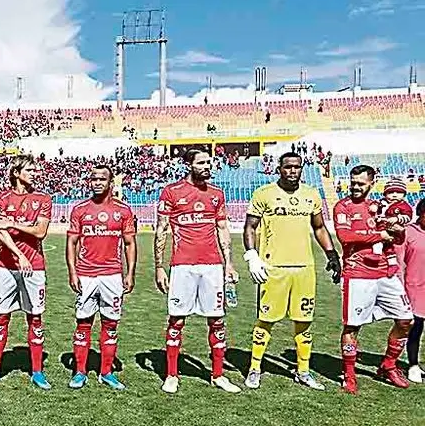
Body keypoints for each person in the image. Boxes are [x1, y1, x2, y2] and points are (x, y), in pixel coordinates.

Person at [242, 151, 341, 390]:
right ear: (279, 169)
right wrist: (252, 256)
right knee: (266, 320)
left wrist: (332, 254)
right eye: (287, 167)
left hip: (304, 269)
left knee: (304, 321)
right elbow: (250, 227)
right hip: (273, 269)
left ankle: (303, 371)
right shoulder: (263, 194)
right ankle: (255, 368)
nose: (292, 171)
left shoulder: (311, 195)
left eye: (297, 167)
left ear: (301, 169)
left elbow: (318, 227)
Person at [154, 149, 241, 394]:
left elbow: (222, 229)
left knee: (217, 320)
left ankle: (218, 375)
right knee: (177, 320)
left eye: (209, 162)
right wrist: (159, 267)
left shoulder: (216, 195)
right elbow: (162, 230)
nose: (207, 166)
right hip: (182, 266)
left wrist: (229, 263)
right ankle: (171, 375)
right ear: (188, 165)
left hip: (212, 266)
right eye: (201, 162)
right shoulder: (172, 192)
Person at [333, 165, 413, 394]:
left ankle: (388, 365)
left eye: (361, 183)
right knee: (352, 326)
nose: (356, 186)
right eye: (353, 182)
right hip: (357, 274)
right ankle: (349, 374)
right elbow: (345, 236)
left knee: (406, 320)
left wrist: (396, 227)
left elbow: (399, 236)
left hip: (385, 273)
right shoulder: (343, 206)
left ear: (372, 183)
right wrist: (380, 234)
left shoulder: (381, 207)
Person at [0, 155, 53, 390]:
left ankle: (38, 372)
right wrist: (19, 254)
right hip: (6, 267)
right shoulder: (1, 198)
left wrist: (13, 224)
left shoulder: (43, 199)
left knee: (35, 318)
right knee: (1, 318)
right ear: (16, 172)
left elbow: (40, 232)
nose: (35, 173)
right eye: (30, 169)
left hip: (35, 268)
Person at [65, 164, 136, 390]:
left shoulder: (123, 210)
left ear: (110, 183)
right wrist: (73, 272)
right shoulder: (79, 209)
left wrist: (130, 272)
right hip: (86, 275)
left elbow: (129, 243)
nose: (97, 182)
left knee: (111, 323)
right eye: (93, 179)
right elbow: (72, 242)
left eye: (102, 179)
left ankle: (106, 372)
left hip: (112, 276)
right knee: (83, 323)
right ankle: (79, 372)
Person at [397, 198, 425, 383]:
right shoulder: (408, 232)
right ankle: (413, 365)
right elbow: (399, 263)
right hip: (414, 288)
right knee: (416, 328)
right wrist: (400, 289)